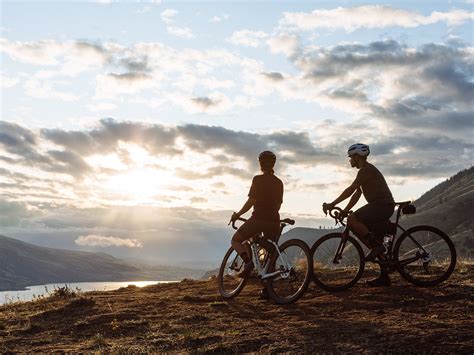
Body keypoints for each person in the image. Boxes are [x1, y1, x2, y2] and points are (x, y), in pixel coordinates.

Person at [323, 143, 395, 286]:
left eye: (350, 158)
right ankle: (384, 276)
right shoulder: (365, 171)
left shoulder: (366, 170)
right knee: (375, 236)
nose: (349, 160)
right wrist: (344, 210)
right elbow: (356, 195)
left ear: (357, 157)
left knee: (353, 219)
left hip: (381, 205)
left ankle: (376, 248)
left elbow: (351, 189)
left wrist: (332, 204)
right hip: (381, 206)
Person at [230, 150, 284, 297]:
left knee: (235, 240)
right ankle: (267, 290)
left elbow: (251, 201)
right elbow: (278, 206)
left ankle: (248, 263)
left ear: (260, 164)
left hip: (258, 219)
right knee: (269, 254)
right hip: (274, 220)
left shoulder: (258, 180)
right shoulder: (279, 182)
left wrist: (238, 214)